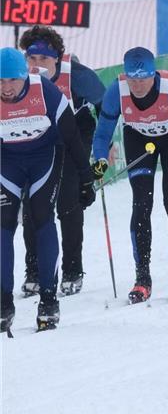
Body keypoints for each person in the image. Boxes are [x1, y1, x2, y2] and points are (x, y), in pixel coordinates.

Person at [92, 48, 168, 304]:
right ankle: (142, 278)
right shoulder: (117, 91)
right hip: (138, 138)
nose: (137, 85)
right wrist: (100, 158)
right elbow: (102, 134)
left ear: (152, 74)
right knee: (142, 202)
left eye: (143, 79)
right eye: (132, 79)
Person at [1, 48, 95, 332]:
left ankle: (48, 299)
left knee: (41, 216)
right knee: (3, 225)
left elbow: (72, 138)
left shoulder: (48, 93)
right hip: (8, 162)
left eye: (12, 81)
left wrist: (85, 178)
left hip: (45, 159)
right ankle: (4, 301)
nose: (6, 88)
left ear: (25, 76)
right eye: (0, 81)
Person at [18, 26, 104, 296]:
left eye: (44, 59)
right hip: (37, 141)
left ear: (57, 58)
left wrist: (107, 145)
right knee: (32, 207)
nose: (37, 65)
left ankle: (72, 269)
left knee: (68, 202)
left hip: (74, 137)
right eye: (32, 59)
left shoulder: (77, 76)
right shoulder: (17, 78)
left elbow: (106, 106)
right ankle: (34, 270)